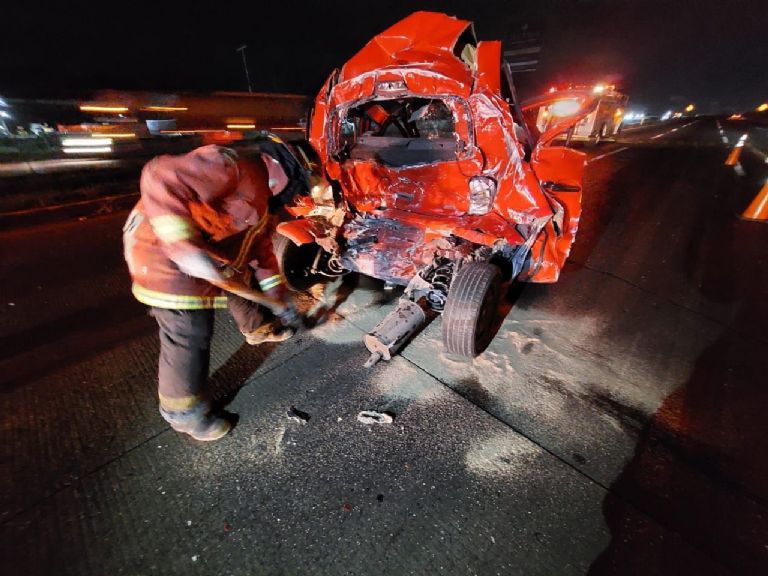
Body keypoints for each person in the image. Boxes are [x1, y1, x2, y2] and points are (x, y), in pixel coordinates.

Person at [123, 140, 306, 442]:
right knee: (188, 333)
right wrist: (182, 245)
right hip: (162, 257)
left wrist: (277, 296)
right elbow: (160, 174)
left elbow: (260, 252)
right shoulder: (230, 164)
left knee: (238, 280)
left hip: (213, 261)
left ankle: (257, 328)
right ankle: (186, 415)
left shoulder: (265, 202)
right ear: (283, 170)